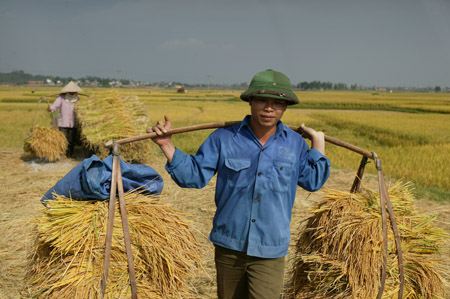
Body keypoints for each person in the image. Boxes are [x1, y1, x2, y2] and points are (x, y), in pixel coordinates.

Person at [149, 69, 331, 299]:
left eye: (277, 103)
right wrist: (166, 145)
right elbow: (193, 176)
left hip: (270, 249)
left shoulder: (294, 144)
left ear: (284, 108)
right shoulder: (223, 138)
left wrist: (318, 143)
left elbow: (313, 180)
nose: (269, 108)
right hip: (229, 247)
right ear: (250, 101)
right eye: (262, 100)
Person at [47, 81, 83, 158]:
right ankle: (62, 154)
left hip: (74, 123)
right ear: (67, 91)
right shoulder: (61, 98)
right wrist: (50, 109)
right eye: (70, 91)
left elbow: (81, 109)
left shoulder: (77, 99)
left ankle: (70, 154)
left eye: (73, 91)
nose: (72, 93)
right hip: (63, 122)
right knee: (63, 139)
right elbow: (55, 106)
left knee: (71, 140)